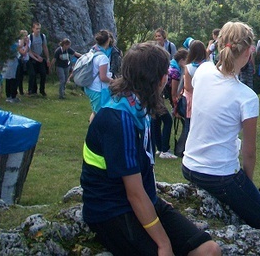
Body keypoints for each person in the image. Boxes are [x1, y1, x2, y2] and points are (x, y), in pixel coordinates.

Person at [81, 42, 221, 256]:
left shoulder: (137, 105)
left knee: (209, 250)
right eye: (166, 72)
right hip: (112, 210)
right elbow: (134, 193)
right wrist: (164, 243)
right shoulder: (120, 118)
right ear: (159, 80)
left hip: (143, 200)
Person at [182, 22, 260, 236]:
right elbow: (249, 152)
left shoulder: (203, 70)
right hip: (219, 175)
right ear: (247, 53)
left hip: (188, 165)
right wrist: (247, 186)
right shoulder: (246, 97)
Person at [153, 48, 187, 160]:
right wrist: (175, 108)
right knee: (168, 120)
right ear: (182, 60)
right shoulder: (175, 72)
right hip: (158, 98)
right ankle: (165, 150)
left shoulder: (170, 66)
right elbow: (173, 93)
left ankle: (159, 147)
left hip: (154, 96)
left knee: (156, 121)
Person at [85, 30, 115, 123]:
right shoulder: (103, 58)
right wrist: (113, 81)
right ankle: (95, 133)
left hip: (89, 86)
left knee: (95, 111)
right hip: (98, 89)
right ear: (108, 41)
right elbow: (103, 77)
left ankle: (92, 130)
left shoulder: (93, 50)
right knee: (100, 114)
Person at [183, 40, 208, 137]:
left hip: (193, 100)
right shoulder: (209, 65)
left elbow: (188, 87)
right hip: (206, 98)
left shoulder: (189, 67)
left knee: (189, 126)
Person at [28, 22, 50, 96]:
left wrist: (47, 58)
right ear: (33, 29)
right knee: (33, 74)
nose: (38, 30)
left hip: (40, 57)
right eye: (37, 29)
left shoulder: (42, 36)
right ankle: (33, 90)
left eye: (39, 29)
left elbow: (44, 47)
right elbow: (29, 50)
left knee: (43, 73)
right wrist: (36, 57)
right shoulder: (30, 37)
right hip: (32, 58)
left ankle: (42, 90)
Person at [3, 38, 21, 103]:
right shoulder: (13, 42)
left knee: (8, 79)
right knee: (13, 79)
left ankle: (9, 96)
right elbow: (19, 46)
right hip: (12, 62)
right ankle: (12, 96)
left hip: (8, 61)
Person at [15, 29, 30, 96]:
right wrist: (26, 45)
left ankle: (21, 91)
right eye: (25, 36)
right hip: (18, 60)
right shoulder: (19, 43)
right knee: (18, 77)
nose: (26, 37)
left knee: (21, 77)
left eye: (27, 36)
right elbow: (23, 52)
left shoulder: (27, 43)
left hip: (24, 61)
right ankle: (15, 90)